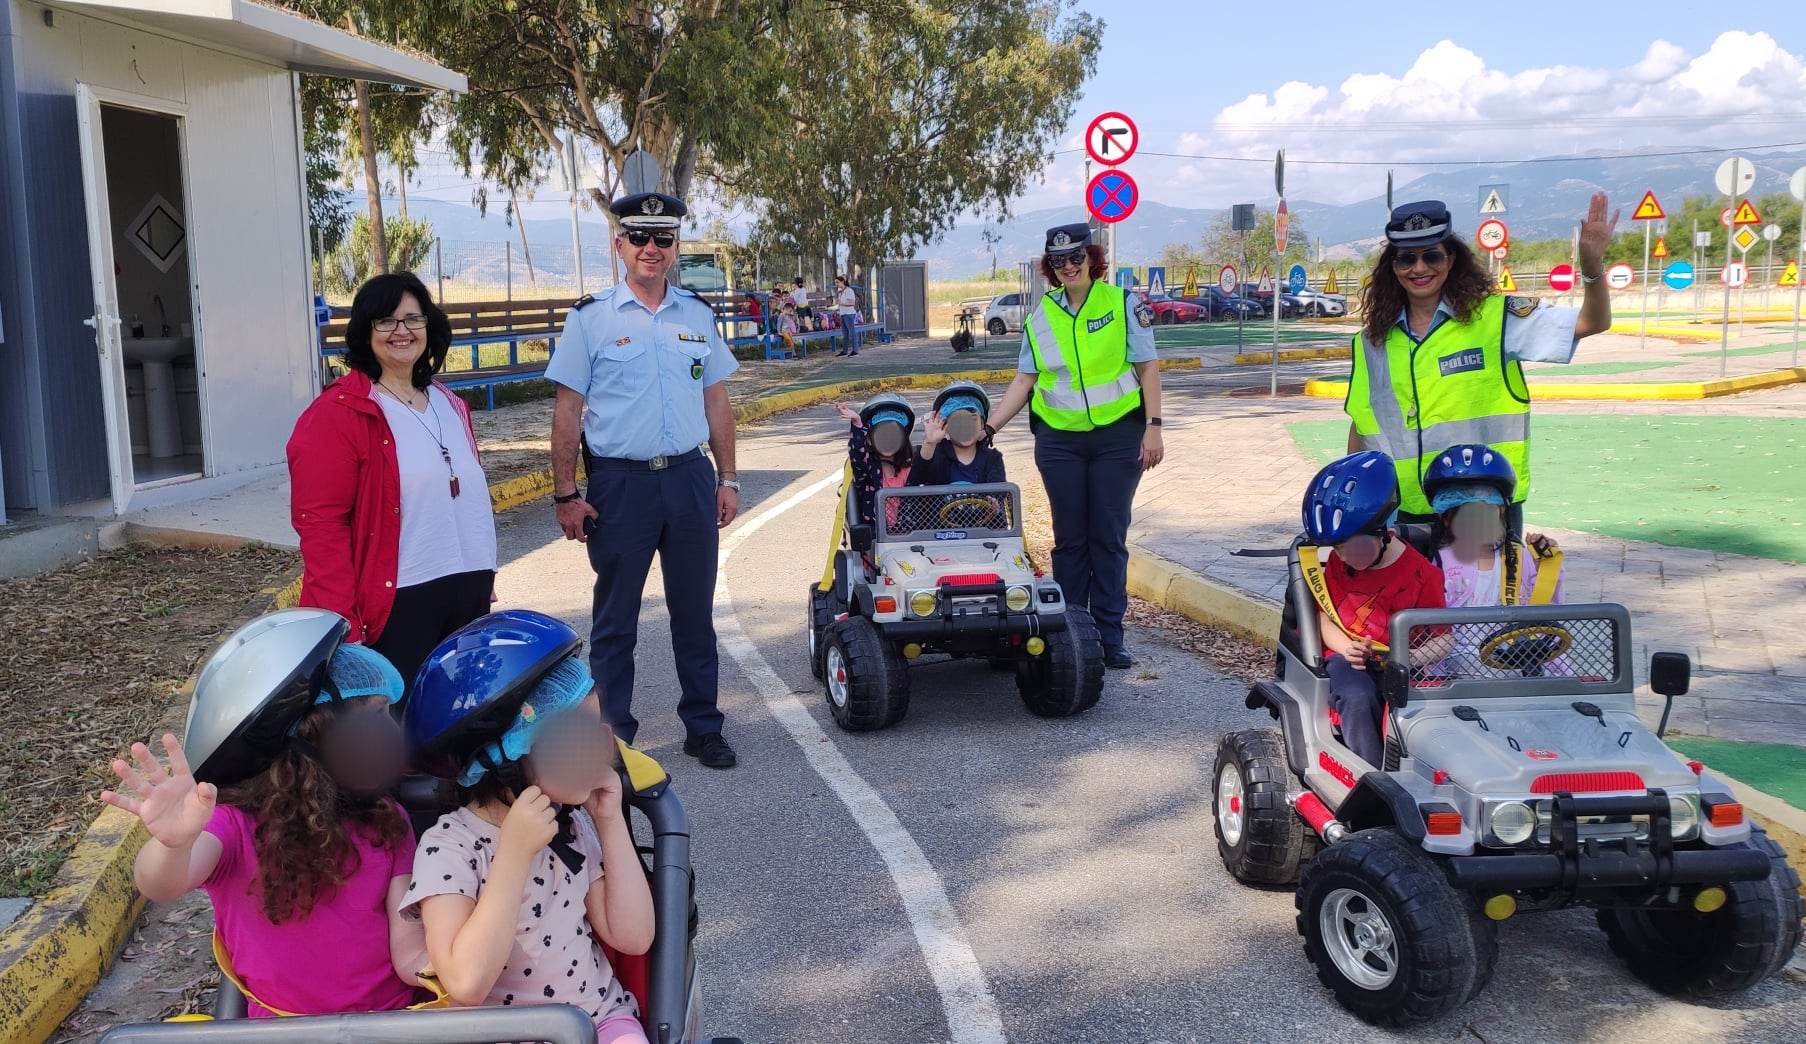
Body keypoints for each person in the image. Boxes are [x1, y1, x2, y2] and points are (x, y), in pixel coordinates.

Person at [98, 610, 423, 1018]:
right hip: (277, 1034)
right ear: (312, 733)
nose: (394, 734)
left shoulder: (386, 819)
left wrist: (458, 966)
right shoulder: (234, 824)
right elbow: (160, 884)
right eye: (376, 715)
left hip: (391, 1025)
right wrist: (173, 844)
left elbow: (410, 944)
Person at [546, 191, 741, 769]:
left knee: (694, 613)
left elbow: (717, 401)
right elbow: (567, 411)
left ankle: (703, 725)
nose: (651, 249)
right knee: (615, 620)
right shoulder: (590, 319)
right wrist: (565, 493)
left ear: (676, 247)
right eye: (639, 238)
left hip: (687, 479)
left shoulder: (698, 316)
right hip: (619, 486)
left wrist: (727, 477)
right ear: (619, 245)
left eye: (663, 239)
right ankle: (613, 735)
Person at [402, 610, 653, 1042]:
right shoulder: (448, 849)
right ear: (507, 755)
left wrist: (609, 823)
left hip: (600, 1022)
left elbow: (632, 936)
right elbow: (465, 983)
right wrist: (514, 855)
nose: (602, 747)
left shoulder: (571, 824)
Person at [1346, 194, 1619, 521]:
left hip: (1483, 510)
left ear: (1450, 259)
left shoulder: (1498, 319)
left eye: (1431, 256)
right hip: (1401, 515)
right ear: (1393, 267)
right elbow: (1362, 425)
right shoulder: (1371, 341)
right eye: (1406, 259)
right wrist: (1357, 503)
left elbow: (1592, 322)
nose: (1419, 268)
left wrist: (1591, 270)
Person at [288, 272, 497, 696]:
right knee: (399, 736)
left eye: (412, 319)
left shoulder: (450, 403)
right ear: (366, 332)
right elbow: (321, 526)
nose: (401, 331)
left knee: (459, 722)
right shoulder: (338, 414)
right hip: (398, 603)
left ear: (429, 327)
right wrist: (341, 624)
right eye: (386, 321)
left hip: (467, 592)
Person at [984, 223, 1164, 670]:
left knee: (1107, 536)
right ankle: (1070, 632)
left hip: (1117, 436)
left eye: (1076, 257)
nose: (1068, 266)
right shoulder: (1040, 317)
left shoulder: (1123, 303)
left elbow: (1148, 369)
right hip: (1059, 441)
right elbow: (1025, 379)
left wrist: (1154, 428)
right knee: (1069, 540)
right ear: (1050, 266)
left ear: (1092, 259)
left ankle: (1108, 635)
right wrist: (986, 429)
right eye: (1058, 260)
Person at [1301, 452, 1451, 768]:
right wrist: (1347, 648)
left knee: (1427, 709)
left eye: (1349, 547)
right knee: (1358, 698)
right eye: (1335, 549)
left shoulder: (1423, 575)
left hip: (1404, 665)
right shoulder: (1341, 565)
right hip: (1347, 660)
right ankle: (1368, 775)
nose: (1340, 557)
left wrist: (1409, 659)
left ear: (1386, 532)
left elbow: (1444, 639)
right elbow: (1324, 617)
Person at [1421, 444, 1564, 609]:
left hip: (1514, 635)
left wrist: (1543, 566)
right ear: (1446, 519)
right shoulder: (1438, 563)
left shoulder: (1519, 557)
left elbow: (1546, 611)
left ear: (1501, 510)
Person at [834, 393, 921, 527]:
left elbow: (930, 468)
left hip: (908, 538)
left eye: (893, 435)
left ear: (904, 438)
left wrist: (931, 443)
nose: (887, 440)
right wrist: (857, 424)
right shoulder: (868, 470)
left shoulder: (910, 469)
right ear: (869, 438)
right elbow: (858, 456)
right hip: (874, 538)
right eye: (882, 435)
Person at [912, 381, 1006, 487]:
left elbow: (998, 491)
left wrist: (994, 499)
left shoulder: (992, 459)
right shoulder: (937, 454)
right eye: (957, 421)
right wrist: (930, 443)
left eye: (971, 420)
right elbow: (916, 480)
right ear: (944, 425)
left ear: (982, 424)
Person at [833, 274, 861, 356]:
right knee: (845, 334)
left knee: (852, 332)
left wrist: (841, 303)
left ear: (842, 282)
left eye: (837, 282)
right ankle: (844, 351)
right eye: (835, 282)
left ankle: (855, 351)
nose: (836, 284)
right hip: (842, 314)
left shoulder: (849, 291)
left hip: (849, 314)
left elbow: (852, 303)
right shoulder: (841, 292)